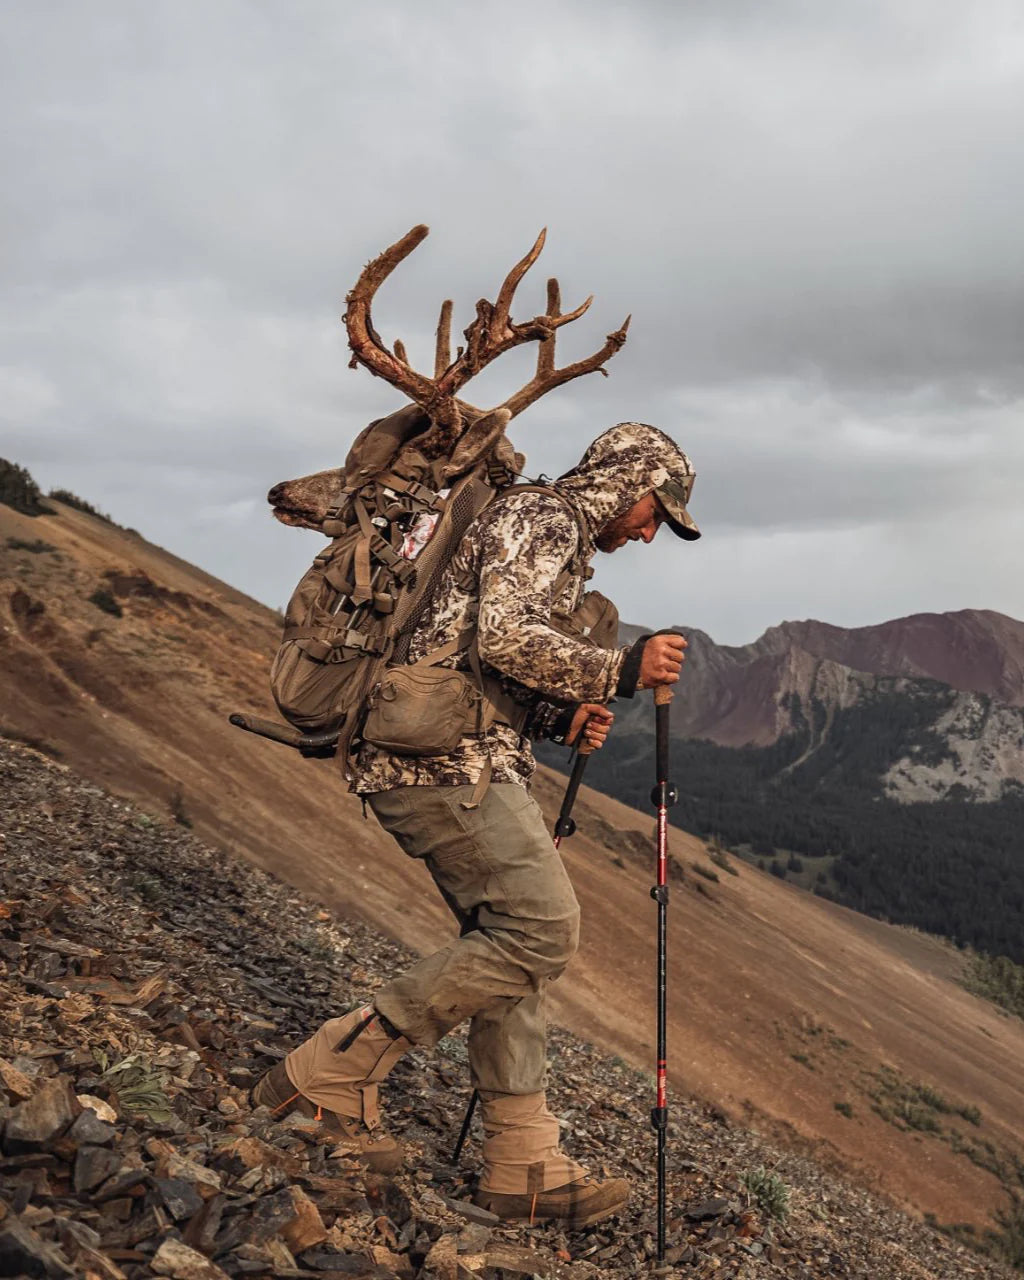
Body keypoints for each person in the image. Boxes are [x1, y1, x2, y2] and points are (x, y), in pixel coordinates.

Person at [252, 422, 700, 1228]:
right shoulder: (545, 517)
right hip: (441, 766)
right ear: (628, 483)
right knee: (541, 931)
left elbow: (467, 649)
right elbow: (506, 637)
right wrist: (622, 668)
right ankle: (328, 1071)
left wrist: (556, 719)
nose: (648, 533)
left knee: (507, 951)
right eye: (654, 513)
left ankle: (521, 1160)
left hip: (457, 756)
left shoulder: (542, 527)